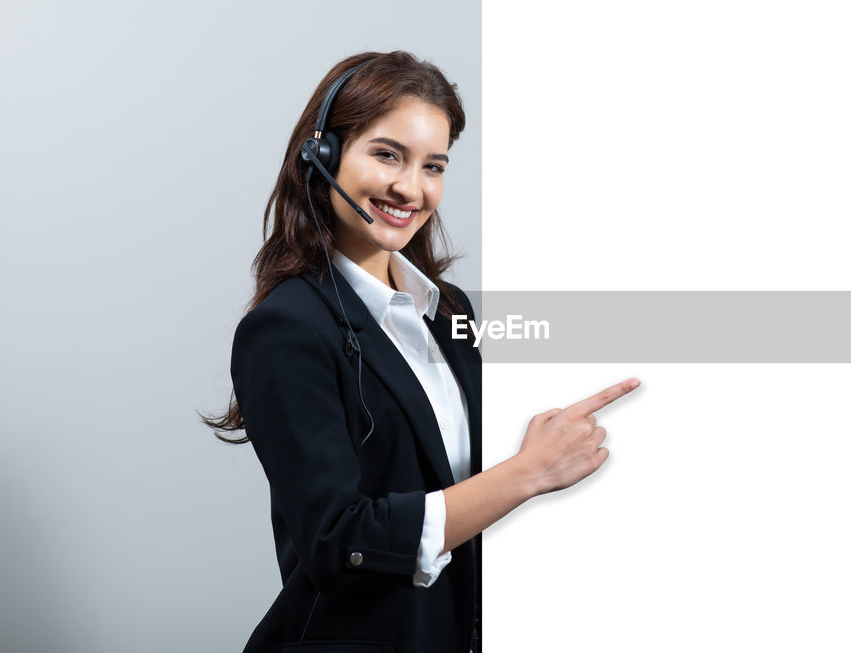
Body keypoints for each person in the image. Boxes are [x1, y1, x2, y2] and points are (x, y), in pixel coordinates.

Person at [203, 51, 640, 653]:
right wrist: (528, 472)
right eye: (387, 154)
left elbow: (462, 488)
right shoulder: (286, 330)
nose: (411, 188)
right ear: (323, 155)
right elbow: (339, 542)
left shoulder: (449, 310)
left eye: (433, 165)